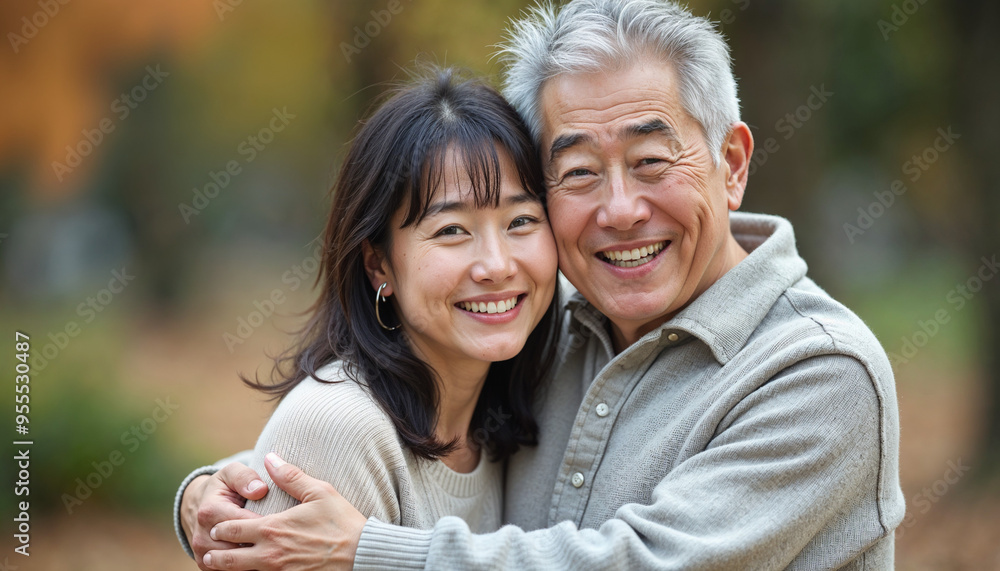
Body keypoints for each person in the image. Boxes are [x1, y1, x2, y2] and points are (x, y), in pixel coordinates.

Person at [178, 1, 906, 569]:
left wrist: (368, 552)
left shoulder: (820, 371)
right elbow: (360, 423)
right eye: (580, 171)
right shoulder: (545, 326)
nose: (620, 210)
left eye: (652, 160)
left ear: (733, 162)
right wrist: (217, 496)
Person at [174, 68, 563, 567]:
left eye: (521, 221)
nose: (497, 265)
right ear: (379, 263)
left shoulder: (502, 414)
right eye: (451, 230)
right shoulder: (340, 429)